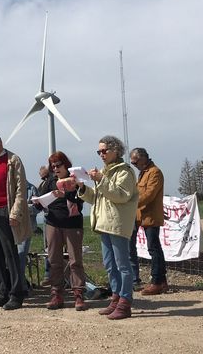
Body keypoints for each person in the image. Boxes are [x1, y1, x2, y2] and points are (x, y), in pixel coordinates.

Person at [77, 136, 138, 320]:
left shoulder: (125, 171)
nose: (101, 154)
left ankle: (125, 302)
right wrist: (82, 187)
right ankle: (116, 298)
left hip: (117, 224)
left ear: (116, 151)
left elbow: (121, 195)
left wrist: (101, 179)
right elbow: (97, 197)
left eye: (104, 151)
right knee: (110, 266)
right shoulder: (106, 172)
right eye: (99, 151)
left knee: (122, 265)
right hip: (104, 223)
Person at [0, 131, 31, 311]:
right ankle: (1, 292)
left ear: (0, 143)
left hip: (6, 210)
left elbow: (20, 189)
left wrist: (15, 213)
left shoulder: (13, 160)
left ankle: (16, 294)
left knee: (10, 254)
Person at [37, 151, 87, 311]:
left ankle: (78, 295)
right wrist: (39, 202)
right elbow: (40, 203)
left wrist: (66, 194)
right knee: (54, 261)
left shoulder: (75, 179)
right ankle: (56, 294)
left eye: (59, 165)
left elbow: (80, 202)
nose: (56, 169)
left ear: (66, 164)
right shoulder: (49, 182)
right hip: (53, 222)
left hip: (72, 224)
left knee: (75, 261)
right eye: (53, 166)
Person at [129, 148, 168, 295]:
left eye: (135, 161)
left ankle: (156, 282)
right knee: (155, 248)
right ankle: (162, 281)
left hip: (151, 217)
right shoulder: (143, 173)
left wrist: (130, 203)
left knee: (153, 249)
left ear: (144, 158)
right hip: (142, 216)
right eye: (132, 162)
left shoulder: (155, 173)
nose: (134, 164)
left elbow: (149, 195)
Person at [17, 180, 39, 293]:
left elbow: (38, 208)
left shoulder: (32, 189)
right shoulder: (10, 187)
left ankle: (21, 287)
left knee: (20, 257)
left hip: (26, 227)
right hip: (11, 228)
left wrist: (24, 209)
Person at [37, 165, 52, 286]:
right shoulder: (42, 185)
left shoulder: (53, 182)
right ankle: (48, 274)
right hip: (48, 217)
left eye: (46, 177)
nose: (45, 179)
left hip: (61, 218)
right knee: (48, 248)